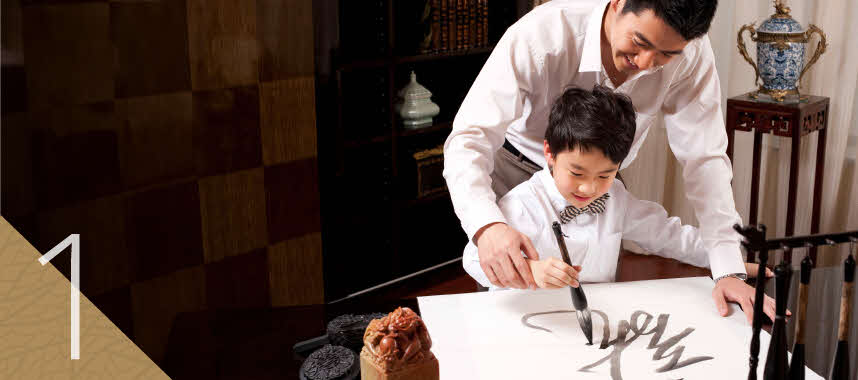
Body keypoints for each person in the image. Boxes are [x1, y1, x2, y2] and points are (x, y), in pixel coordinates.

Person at [444, 0, 767, 322]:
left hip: (604, 179)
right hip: (515, 164)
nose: (646, 64)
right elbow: (470, 138)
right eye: (639, 43)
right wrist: (488, 227)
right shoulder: (544, 33)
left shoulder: (690, 54)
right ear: (618, 4)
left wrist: (727, 265)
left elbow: (704, 159)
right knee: (505, 296)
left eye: (666, 55)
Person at [462, 85, 778, 324]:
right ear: (549, 153)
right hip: (524, 324)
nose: (589, 187)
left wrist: (726, 264)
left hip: (595, 321)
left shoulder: (614, 197)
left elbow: (670, 235)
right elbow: (472, 258)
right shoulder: (521, 204)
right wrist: (530, 271)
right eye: (576, 172)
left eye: (605, 174)